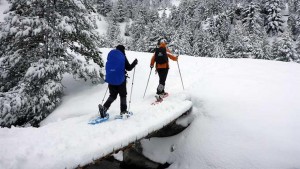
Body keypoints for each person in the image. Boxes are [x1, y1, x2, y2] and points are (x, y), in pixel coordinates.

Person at [99, 45, 138, 118]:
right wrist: (134, 63)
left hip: (111, 79)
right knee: (123, 95)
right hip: (120, 79)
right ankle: (123, 111)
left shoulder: (111, 55)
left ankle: (104, 108)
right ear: (123, 50)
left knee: (113, 95)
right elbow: (129, 68)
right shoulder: (122, 56)